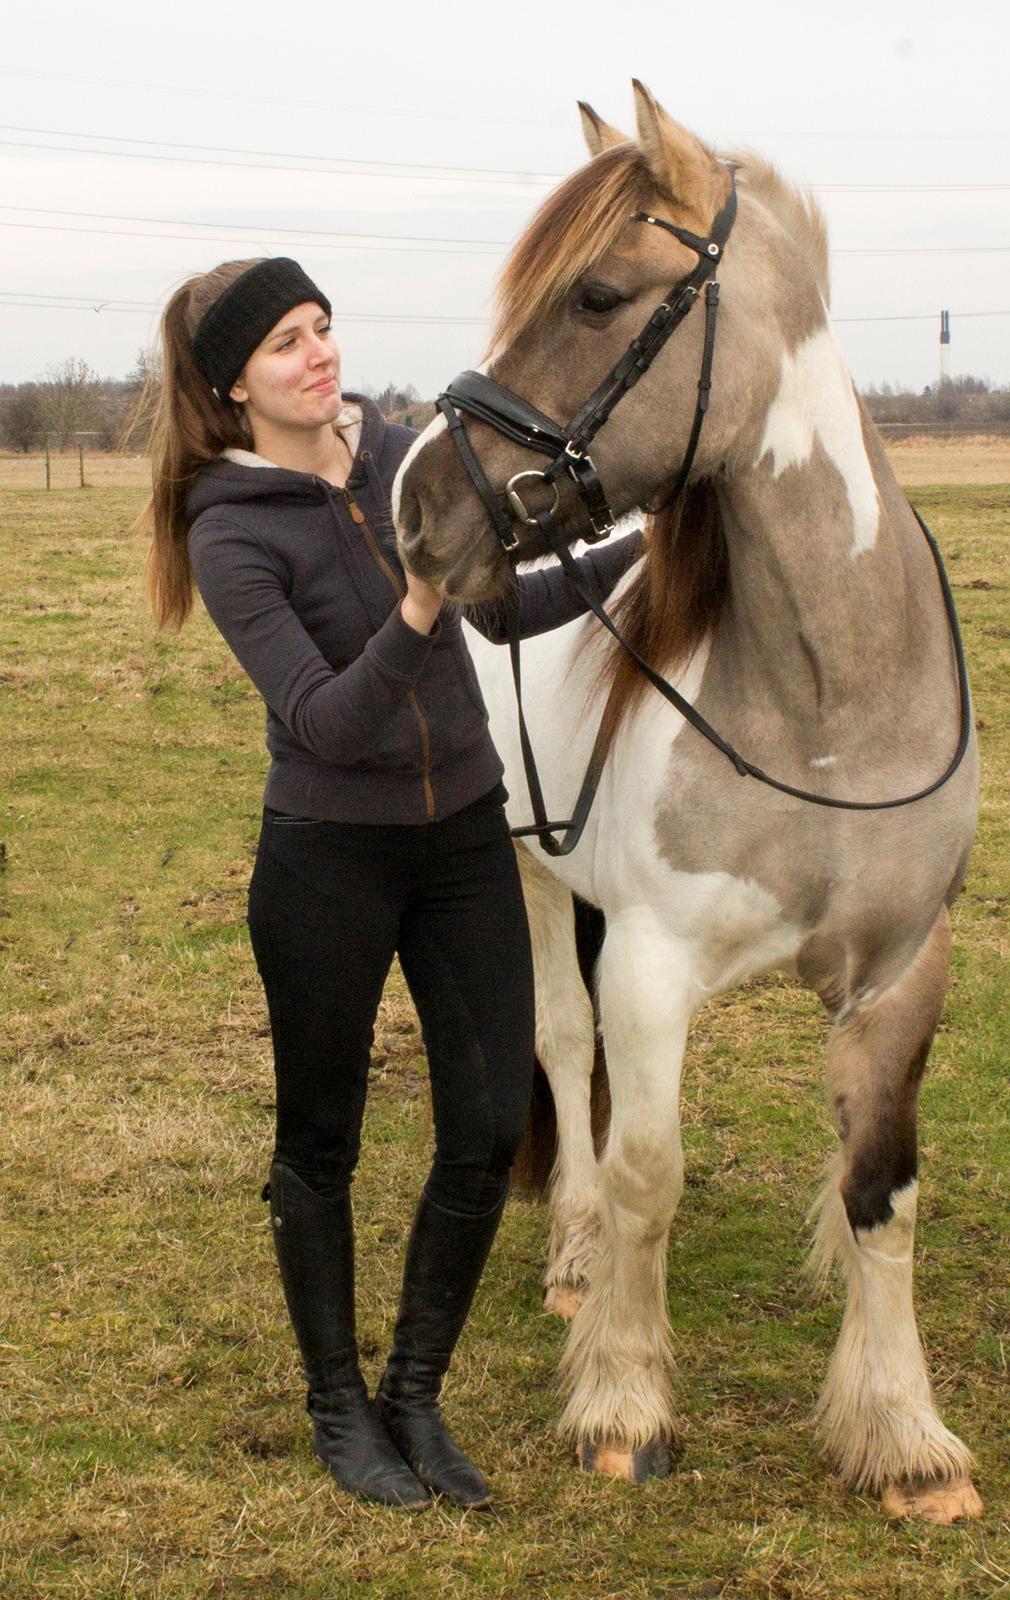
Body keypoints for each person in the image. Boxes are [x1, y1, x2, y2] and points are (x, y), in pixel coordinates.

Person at [139, 256, 643, 1510]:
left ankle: (414, 1391)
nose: (318, 356)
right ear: (230, 386)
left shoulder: (400, 454)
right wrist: (419, 600)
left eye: (322, 329)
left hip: (465, 832)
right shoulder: (229, 529)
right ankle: (336, 1408)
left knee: (482, 1128)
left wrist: (639, 548)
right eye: (284, 346)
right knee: (322, 1142)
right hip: (329, 858)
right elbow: (326, 721)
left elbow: (506, 604)